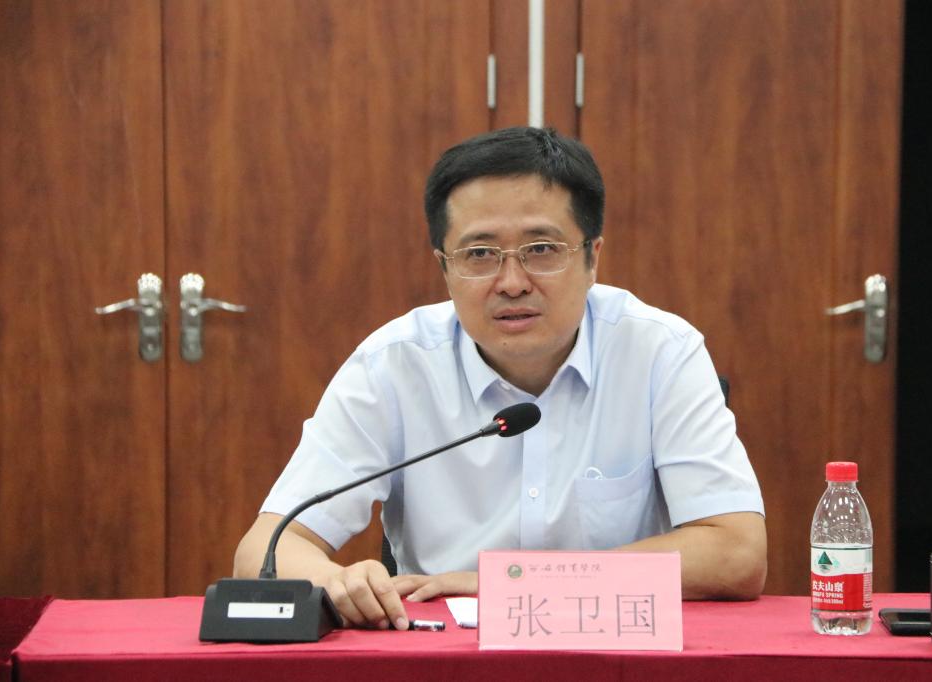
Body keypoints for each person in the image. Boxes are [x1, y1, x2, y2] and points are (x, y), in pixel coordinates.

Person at [234, 127, 767, 631]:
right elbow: (266, 549)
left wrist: (512, 582)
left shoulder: (660, 352)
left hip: (616, 654)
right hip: (444, 658)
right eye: (480, 254)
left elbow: (736, 552)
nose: (512, 283)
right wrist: (339, 583)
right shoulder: (392, 366)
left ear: (593, 258)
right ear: (444, 269)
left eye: (542, 250)